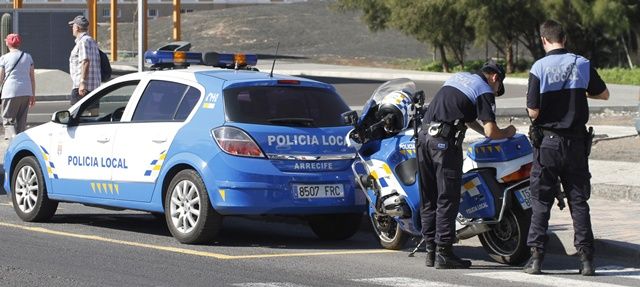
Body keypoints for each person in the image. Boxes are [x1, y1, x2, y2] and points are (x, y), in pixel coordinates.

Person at [523, 20, 609, 276]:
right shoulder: (582, 63)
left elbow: (533, 110)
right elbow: (604, 94)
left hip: (548, 144)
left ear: (543, 40)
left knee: (541, 202)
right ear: (565, 38)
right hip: (575, 143)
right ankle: (586, 261)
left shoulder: (539, 67)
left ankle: (536, 259)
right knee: (578, 201)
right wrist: (579, 92)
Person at [417, 61, 516, 269]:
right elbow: (491, 130)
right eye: (498, 89)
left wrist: (483, 134)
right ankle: (444, 253)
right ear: (495, 78)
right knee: (448, 197)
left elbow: (468, 119)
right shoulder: (484, 89)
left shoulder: (458, 77)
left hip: (424, 138)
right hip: (443, 144)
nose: (495, 92)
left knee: (429, 197)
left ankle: (431, 251)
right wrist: (507, 132)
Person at [0, 33, 35, 139]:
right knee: (21, 121)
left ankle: (14, 137)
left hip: (10, 91)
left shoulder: (4, 58)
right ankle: (19, 142)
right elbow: (32, 78)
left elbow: (1, 76)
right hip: (26, 91)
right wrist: (33, 94)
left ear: (8, 43)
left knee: (7, 120)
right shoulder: (28, 57)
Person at [68, 15, 100, 108]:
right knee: (92, 116)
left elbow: (85, 61)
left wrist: (82, 83)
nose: (72, 29)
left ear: (77, 28)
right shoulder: (92, 41)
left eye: (73, 26)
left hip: (82, 88)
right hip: (94, 87)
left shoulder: (82, 42)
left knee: (75, 116)